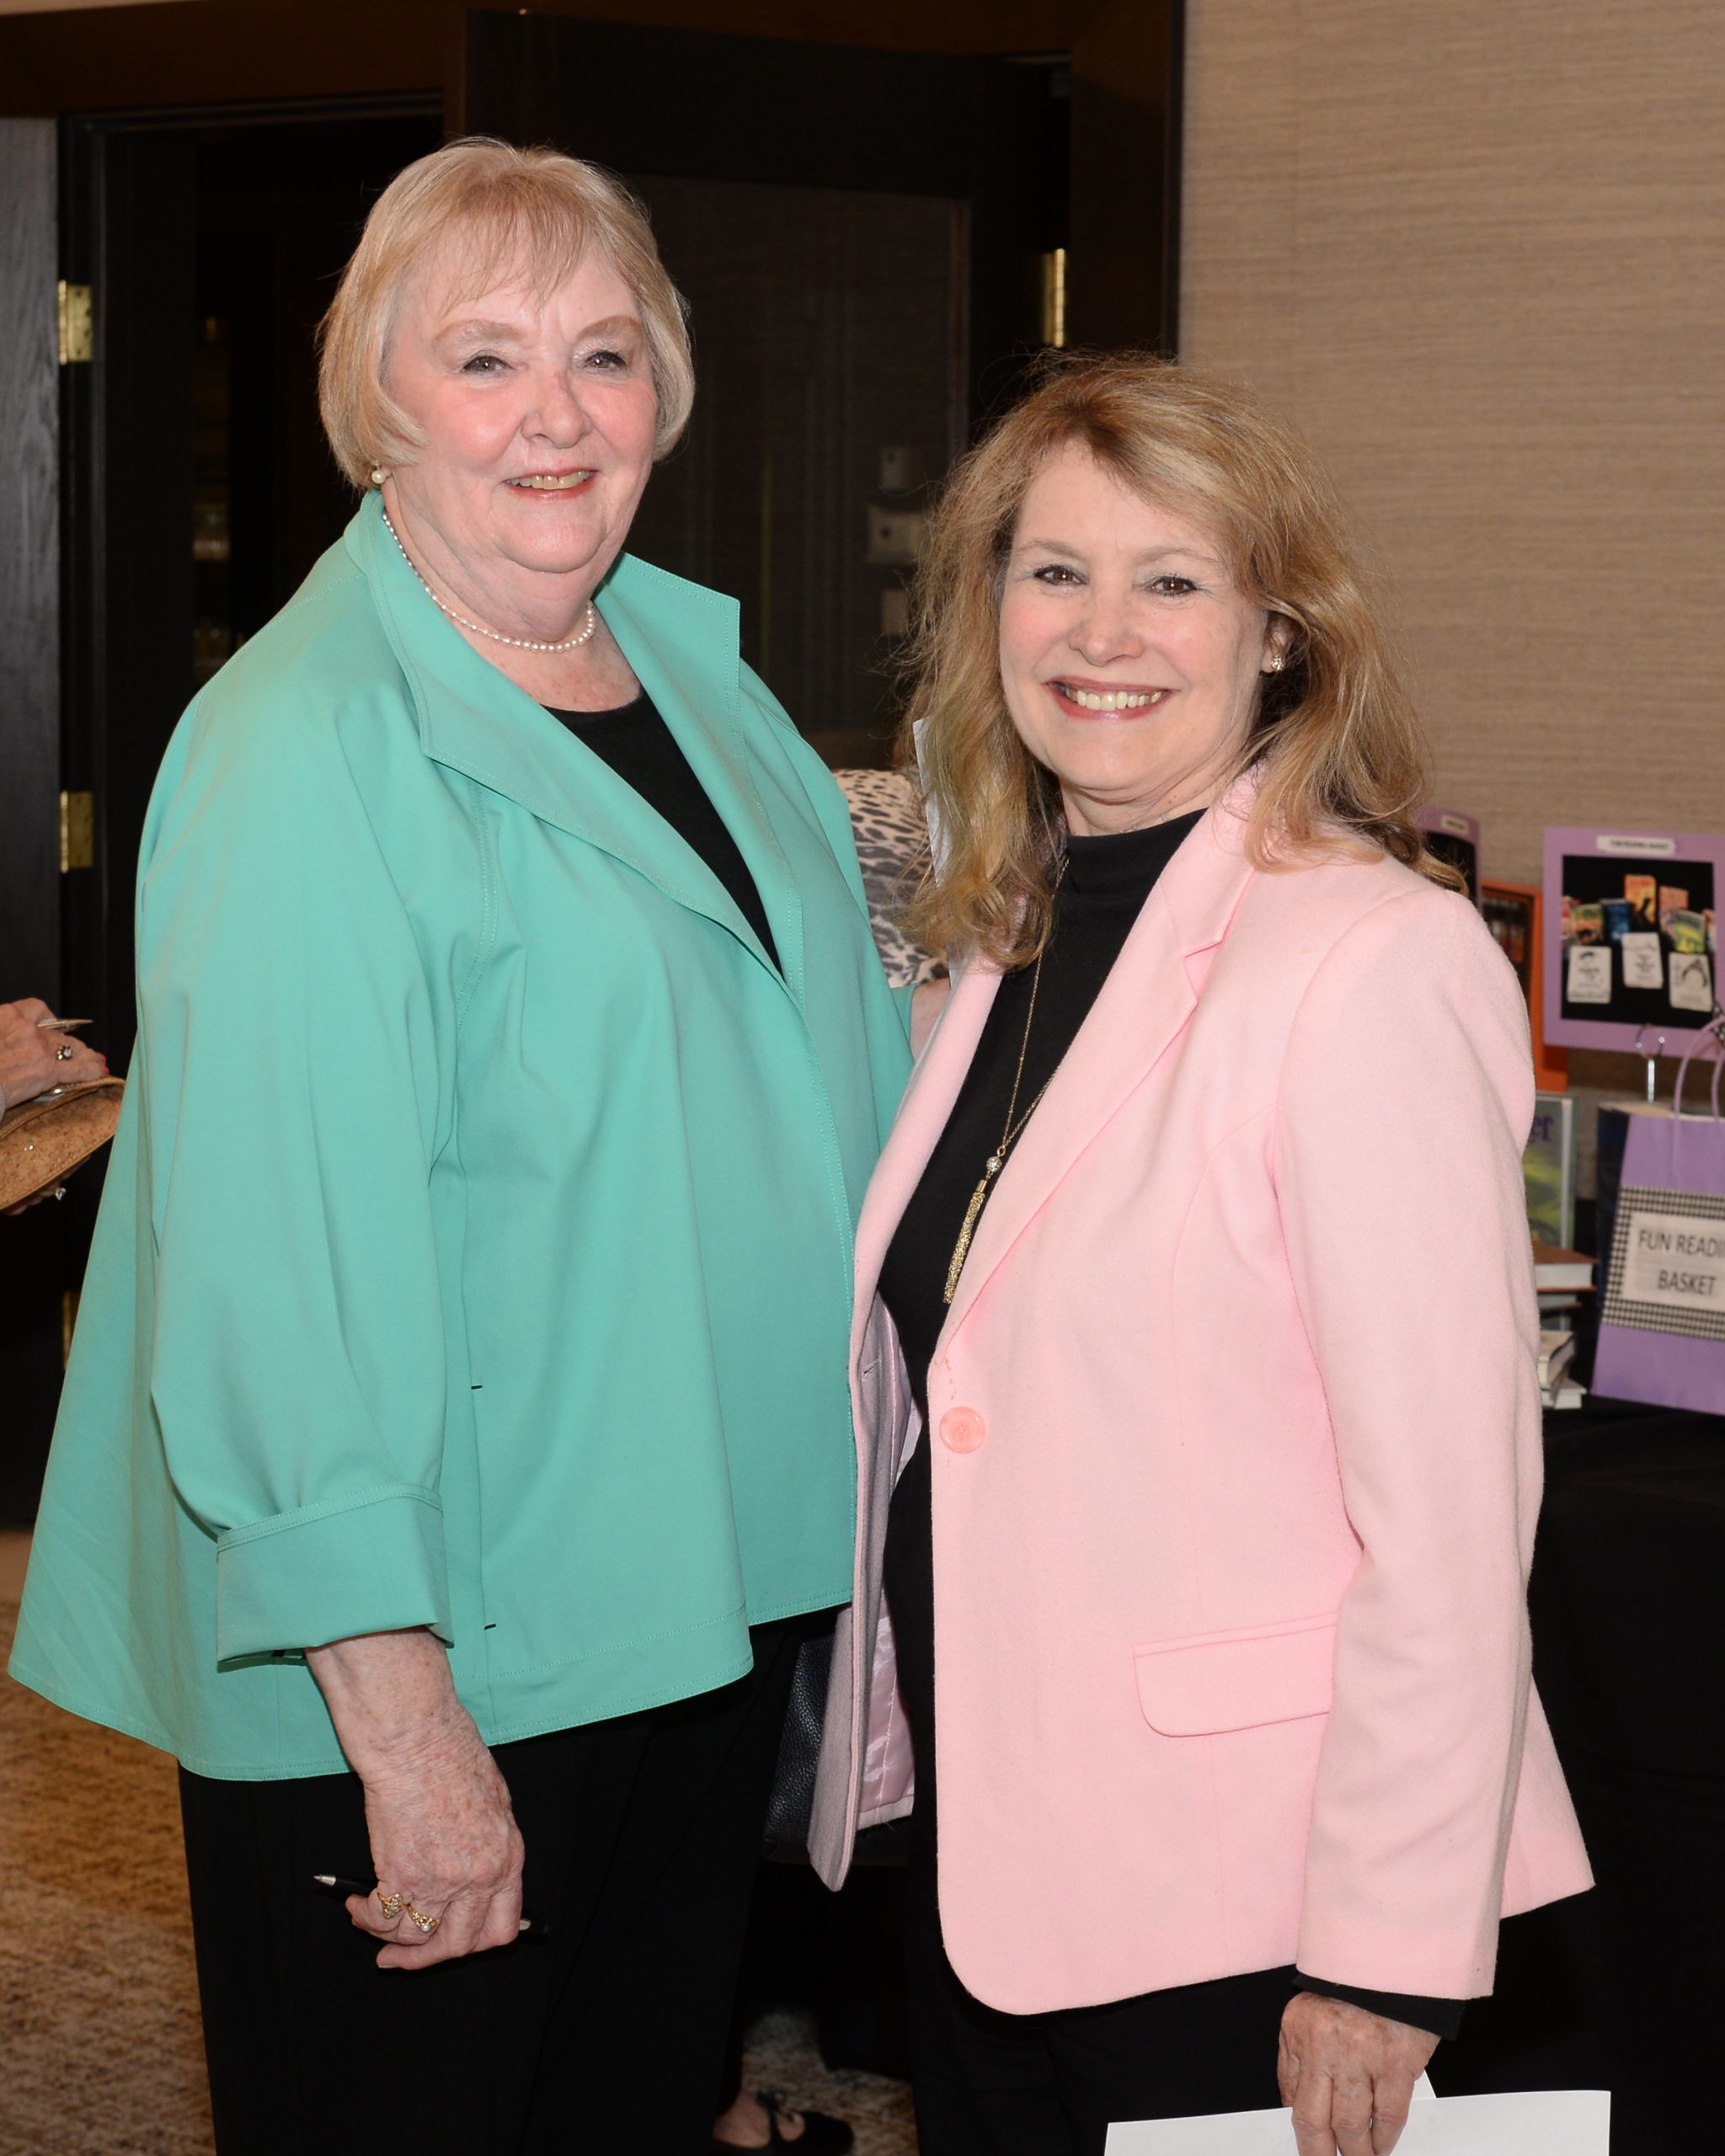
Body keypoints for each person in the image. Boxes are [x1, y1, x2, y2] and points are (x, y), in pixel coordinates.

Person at [9, 139, 911, 2156]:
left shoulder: (691, 667)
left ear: (665, 391)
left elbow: (785, 1043)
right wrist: (403, 1719)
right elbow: (272, 1272)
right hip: (440, 1638)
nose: (554, 414)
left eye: (603, 354)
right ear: (381, 404)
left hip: (691, 1584)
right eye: (485, 357)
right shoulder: (305, 743)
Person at [809, 355, 1594, 2156]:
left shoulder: (1370, 960)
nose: (1104, 632)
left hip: (1255, 1901)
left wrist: (1386, 1949)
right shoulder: (997, 942)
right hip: (994, 1861)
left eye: (1171, 580)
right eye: (1055, 570)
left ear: (1278, 633)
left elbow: (1451, 1515)